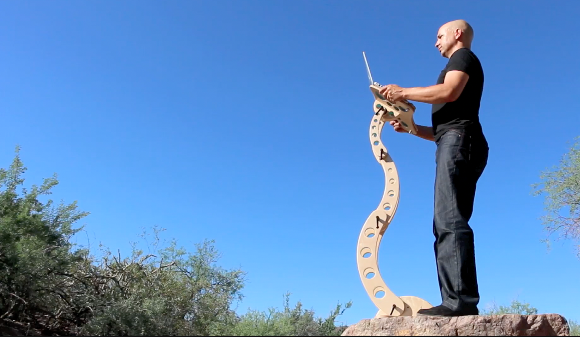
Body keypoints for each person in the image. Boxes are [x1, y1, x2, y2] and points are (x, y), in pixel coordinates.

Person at [379, 19, 489, 317]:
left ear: (457, 34)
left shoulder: (462, 57)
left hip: (460, 142)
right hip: (455, 140)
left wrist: (402, 92)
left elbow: (449, 92)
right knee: (447, 221)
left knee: (449, 220)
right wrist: (411, 129)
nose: (435, 42)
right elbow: (442, 129)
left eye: (439, 36)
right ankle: (458, 300)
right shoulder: (457, 62)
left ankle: (460, 303)